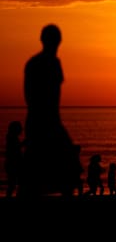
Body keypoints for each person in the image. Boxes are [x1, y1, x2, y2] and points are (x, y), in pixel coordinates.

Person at [20, 24, 82, 197]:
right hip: (45, 122)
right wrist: (51, 123)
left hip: (41, 121)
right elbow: (40, 98)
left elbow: (33, 96)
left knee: (42, 171)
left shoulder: (39, 63)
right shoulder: (46, 63)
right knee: (63, 169)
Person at [4, 121, 24, 197]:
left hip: (11, 164)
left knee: (13, 184)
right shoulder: (12, 138)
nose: (21, 130)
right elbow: (15, 149)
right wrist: (24, 143)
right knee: (14, 183)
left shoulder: (11, 137)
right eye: (19, 129)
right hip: (13, 165)